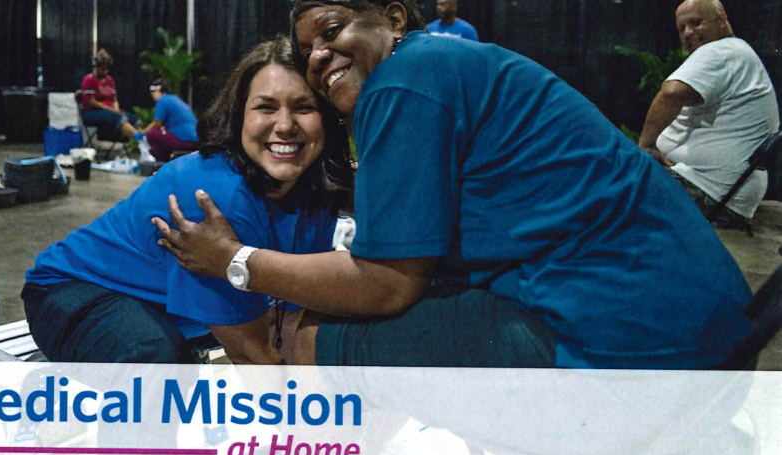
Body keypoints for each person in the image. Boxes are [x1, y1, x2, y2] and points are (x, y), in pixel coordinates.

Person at [154, 0, 754, 370]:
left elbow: (387, 284)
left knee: (309, 332)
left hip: (643, 343)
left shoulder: (402, 80)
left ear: (393, 19)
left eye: (331, 28)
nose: (319, 55)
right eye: (307, 47)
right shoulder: (450, 68)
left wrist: (237, 261)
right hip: (712, 321)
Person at [22, 38, 353, 364]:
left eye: (304, 107)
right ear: (239, 116)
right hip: (72, 291)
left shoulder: (317, 194)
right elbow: (251, 353)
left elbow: (291, 318)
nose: (284, 126)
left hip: (159, 308)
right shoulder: (213, 196)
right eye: (266, 107)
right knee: (159, 361)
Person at [639, 0, 780, 227]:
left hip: (708, 190)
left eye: (696, 23)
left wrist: (646, 145)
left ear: (722, 20)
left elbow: (672, 93)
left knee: (609, 180)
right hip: (725, 191)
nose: (688, 33)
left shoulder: (720, 51)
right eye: (681, 28)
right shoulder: (737, 52)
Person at [79, 48, 141, 140]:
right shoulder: (89, 79)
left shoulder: (110, 80)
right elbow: (91, 102)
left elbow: (114, 99)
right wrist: (109, 109)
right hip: (91, 112)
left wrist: (116, 108)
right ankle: (140, 139)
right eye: (103, 69)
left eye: (107, 69)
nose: (105, 72)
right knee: (119, 118)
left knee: (134, 119)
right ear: (96, 67)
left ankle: (142, 144)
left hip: (110, 111)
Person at [135, 78, 200, 162]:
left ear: (158, 90)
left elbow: (157, 123)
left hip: (184, 140)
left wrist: (143, 132)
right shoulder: (175, 98)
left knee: (152, 134)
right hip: (196, 140)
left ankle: (162, 161)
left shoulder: (163, 100)